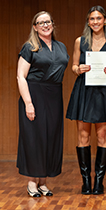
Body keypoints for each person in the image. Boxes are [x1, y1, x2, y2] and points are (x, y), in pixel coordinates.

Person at [66, 6, 106, 195]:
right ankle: (85, 182)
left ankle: (99, 182)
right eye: (92, 19)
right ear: (88, 22)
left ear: (105, 20)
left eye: (99, 18)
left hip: (103, 92)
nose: (96, 22)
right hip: (84, 90)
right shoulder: (79, 42)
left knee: (103, 136)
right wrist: (78, 68)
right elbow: (73, 66)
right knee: (83, 136)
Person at [16, 11, 69, 197]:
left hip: (54, 95)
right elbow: (20, 77)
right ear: (35, 27)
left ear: (53, 24)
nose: (45, 25)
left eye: (48, 22)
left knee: (51, 137)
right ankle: (32, 182)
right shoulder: (30, 47)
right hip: (34, 94)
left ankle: (43, 182)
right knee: (34, 138)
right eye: (41, 22)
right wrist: (28, 103)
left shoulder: (61, 47)